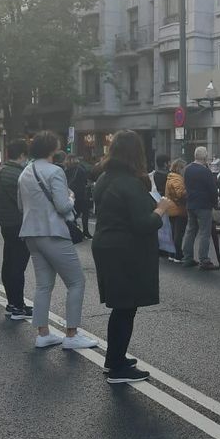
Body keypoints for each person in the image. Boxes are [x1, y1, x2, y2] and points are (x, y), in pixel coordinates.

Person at [92, 130, 173, 383]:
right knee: (126, 308)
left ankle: (114, 358)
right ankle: (117, 367)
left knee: (121, 306)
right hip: (125, 251)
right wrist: (161, 209)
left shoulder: (106, 177)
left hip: (107, 245)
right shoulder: (128, 182)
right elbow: (143, 223)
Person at [18, 131, 97, 350]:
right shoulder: (55, 171)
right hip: (52, 232)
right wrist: (71, 198)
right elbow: (63, 206)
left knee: (43, 285)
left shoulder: (26, 171)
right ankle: (71, 334)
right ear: (53, 148)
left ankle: (43, 333)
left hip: (30, 232)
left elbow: (20, 204)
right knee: (76, 282)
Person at [0, 139, 32, 320]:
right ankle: (18, 305)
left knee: (8, 263)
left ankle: (12, 303)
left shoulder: (1, 172)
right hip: (19, 223)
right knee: (18, 266)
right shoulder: (19, 174)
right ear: (23, 155)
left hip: (6, 223)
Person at [182, 146, 219, 270]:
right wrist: (215, 203)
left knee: (190, 230)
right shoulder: (205, 171)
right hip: (203, 205)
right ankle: (204, 259)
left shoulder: (187, 169)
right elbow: (212, 189)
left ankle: (187, 257)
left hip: (190, 203)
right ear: (204, 157)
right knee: (204, 232)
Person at [165, 158, 188, 263]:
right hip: (178, 209)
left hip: (171, 209)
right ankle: (177, 255)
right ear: (180, 168)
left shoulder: (171, 177)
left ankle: (171, 254)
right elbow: (180, 194)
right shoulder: (177, 178)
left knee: (173, 233)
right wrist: (188, 191)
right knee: (178, 234)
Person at [64, 154, 92, 239]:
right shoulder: (80, 169)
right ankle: (86, 231)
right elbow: (85, 181)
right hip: (81, 194)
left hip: (70, 194)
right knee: (85, 213)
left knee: (74, 213)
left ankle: (71, 230)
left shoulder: (65, 170)